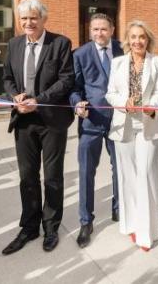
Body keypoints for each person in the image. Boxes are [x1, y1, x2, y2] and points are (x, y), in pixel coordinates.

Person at [1, 0, 75, 254]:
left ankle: (51, 226)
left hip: (52, 120)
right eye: (23, 18)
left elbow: (66, 80)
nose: (28, 23)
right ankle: (30, 227)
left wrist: (39, 100)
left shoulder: (61, 43)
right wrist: (16, 96)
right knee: (27, 176)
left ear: (44, 19)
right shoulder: (14, 44)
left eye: (33, 18)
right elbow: (8, 78)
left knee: (52, 176)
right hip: (23, 119)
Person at [105, 20, 158, 251]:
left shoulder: (157, 61)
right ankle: (131, 224)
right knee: (128, 176)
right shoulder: (118, 63)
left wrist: (152, 105)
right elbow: (110, 93)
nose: (138, 41)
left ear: (147, 39)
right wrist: (123, 103)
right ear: (127, 40)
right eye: (133, 37)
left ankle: (147, 232)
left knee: (146, 174)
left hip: (148, 125)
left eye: (142, 37)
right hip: (123, 125)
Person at [70, 13, 123, 248]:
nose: (99, 33)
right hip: (90, 121)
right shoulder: (80, 54)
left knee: (119, 169)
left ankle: (119, 209)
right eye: (95, 30)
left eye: (103, 29)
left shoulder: (124, 49)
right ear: (90, 31)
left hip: (119, 121)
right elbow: (75, 88)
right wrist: (76, 103)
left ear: (112, 29)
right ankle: (86, 221)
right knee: (86, 172)